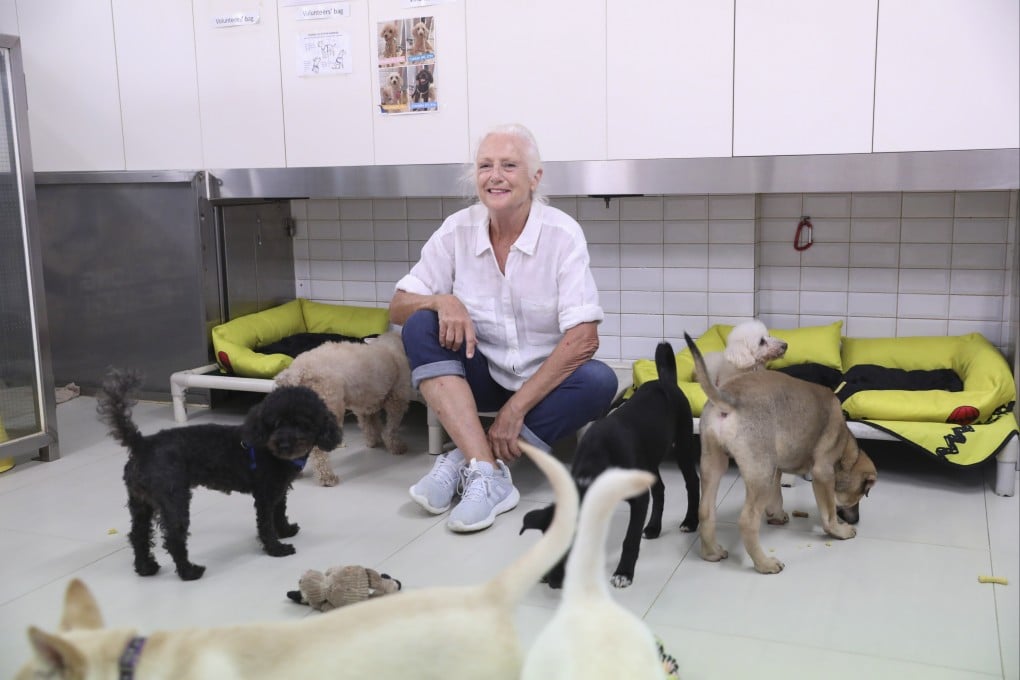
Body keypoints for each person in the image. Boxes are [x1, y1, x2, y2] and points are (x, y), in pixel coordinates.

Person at [389, 123, 618, 533]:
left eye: (509, 165)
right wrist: (442, 300)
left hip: (541, 383)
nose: (495, 176)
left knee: (599, 381)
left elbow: (584, 339)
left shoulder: (562, 235)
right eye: (485, 166)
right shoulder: (457, 229)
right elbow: (399, 305)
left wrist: (515, 410)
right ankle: (488, 472)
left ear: (535, 178)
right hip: (480, 372)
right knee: (421, 324)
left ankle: (466, 458)